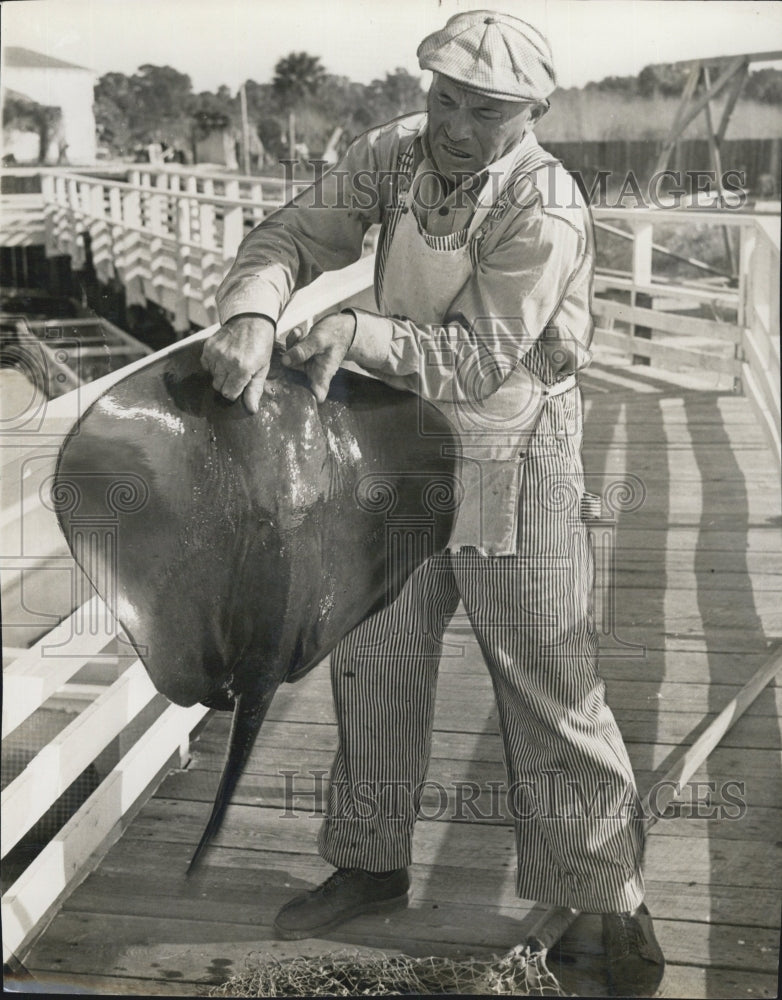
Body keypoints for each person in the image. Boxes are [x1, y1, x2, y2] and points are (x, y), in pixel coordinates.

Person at [202, 10, 665, 997]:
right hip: (396, 451)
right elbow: (292, 229)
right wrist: (251, 307)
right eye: (442, 100)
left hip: (513, 453)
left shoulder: (545, 204)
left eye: (484, 110)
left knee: (546, 677)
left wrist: (353, 332)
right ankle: (368, 859)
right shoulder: (390, 155)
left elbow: (478, 354)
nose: (454, 127)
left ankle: (604, 901)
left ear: (532, 111)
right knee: (374, 659)